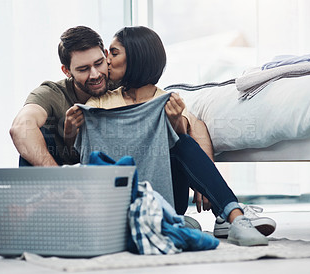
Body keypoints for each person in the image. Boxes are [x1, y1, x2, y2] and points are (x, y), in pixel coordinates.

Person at [65, 26, 270, 246]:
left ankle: (235, 217)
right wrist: (71, 130)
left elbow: (186, 145)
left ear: (135, 58)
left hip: (165, 193)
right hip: (120, 198)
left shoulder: (167, 101)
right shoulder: (97, 104)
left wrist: (174, 121)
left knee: (183, 143)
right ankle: (176, 221)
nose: (107, 61)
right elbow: (84, 152)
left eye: (113, 54)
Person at [10, 26, 109, 166]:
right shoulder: (52, 93)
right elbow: (20, 128)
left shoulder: (123, 85)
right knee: (37, 134)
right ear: (66, 71)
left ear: (106, 55)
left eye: (99, 63)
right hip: (61, 176)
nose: (95, 75)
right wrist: (58, 178)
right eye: (83, 69)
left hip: (113, 171)